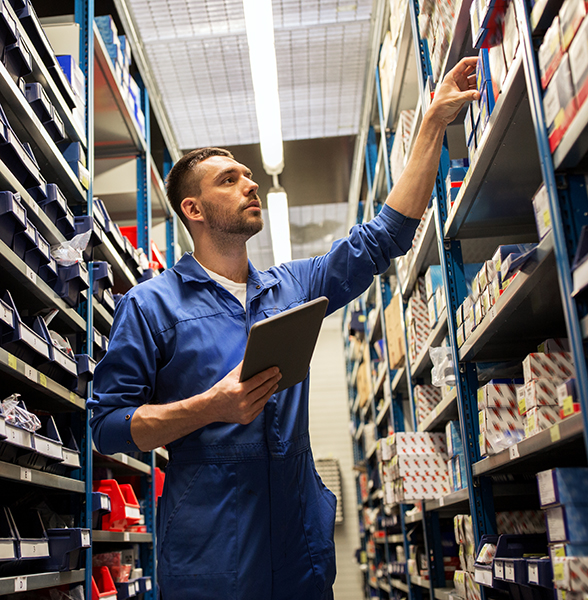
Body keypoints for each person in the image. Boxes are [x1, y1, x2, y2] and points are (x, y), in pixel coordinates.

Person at [88, 57, 479, 600]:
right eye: (231, 179)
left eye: (250, 175)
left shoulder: (293, 286)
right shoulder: (149, 305)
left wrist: (433, 120)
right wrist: (209, 407)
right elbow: (107, 425)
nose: (250, 185)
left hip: (298, 548)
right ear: (193, 209)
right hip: (212, 556)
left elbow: (386, 236)